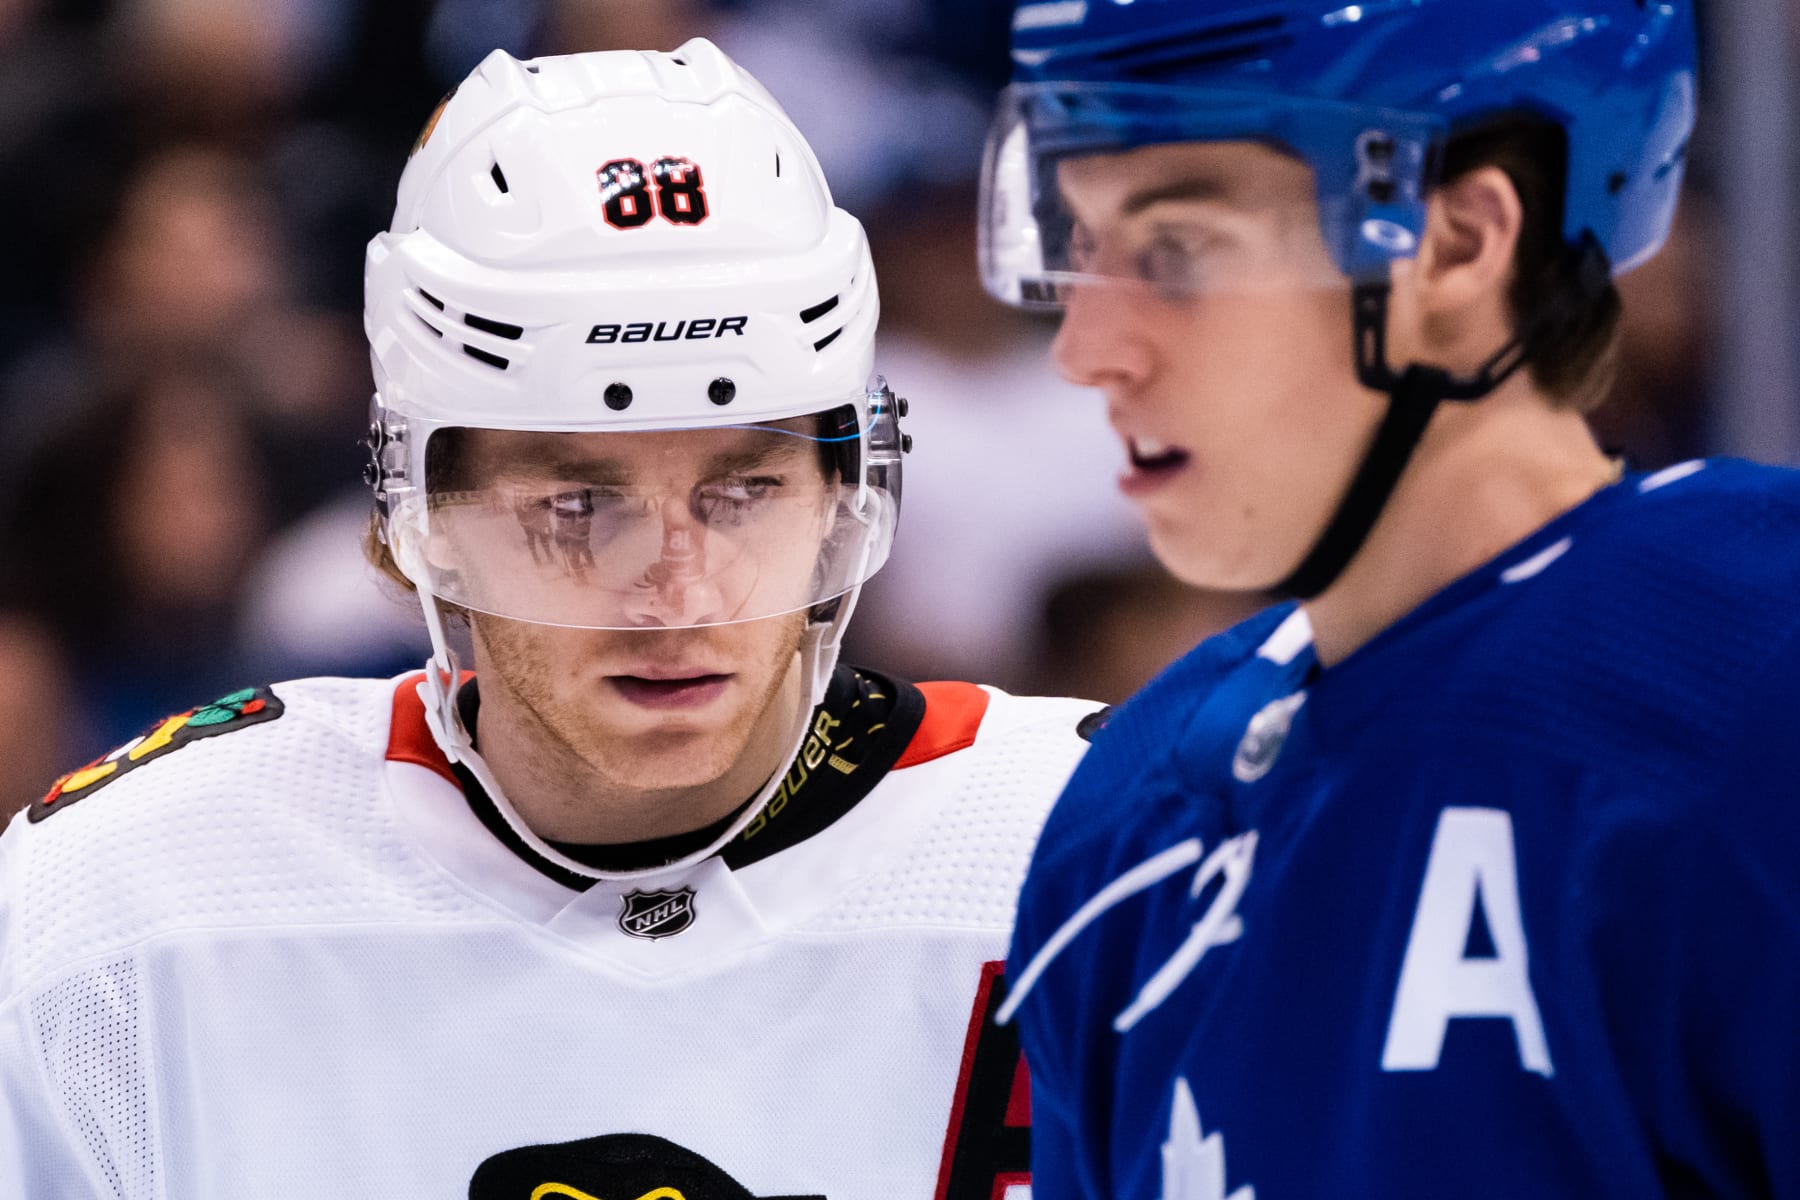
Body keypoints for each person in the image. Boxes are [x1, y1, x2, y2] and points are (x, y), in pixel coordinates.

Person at [0, 41, 1097, 1198]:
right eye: (578, 508)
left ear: (844, 493)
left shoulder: (1100, 857)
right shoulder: (126, 912)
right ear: (421, 518)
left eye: (743, 493)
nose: (679, 595)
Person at [981, 3, 1800, 1197]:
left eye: (1176, 253)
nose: (1086, 347)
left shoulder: (1760, 673)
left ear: (1458, 244)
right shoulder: (1128, 816)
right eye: (1079, 243)